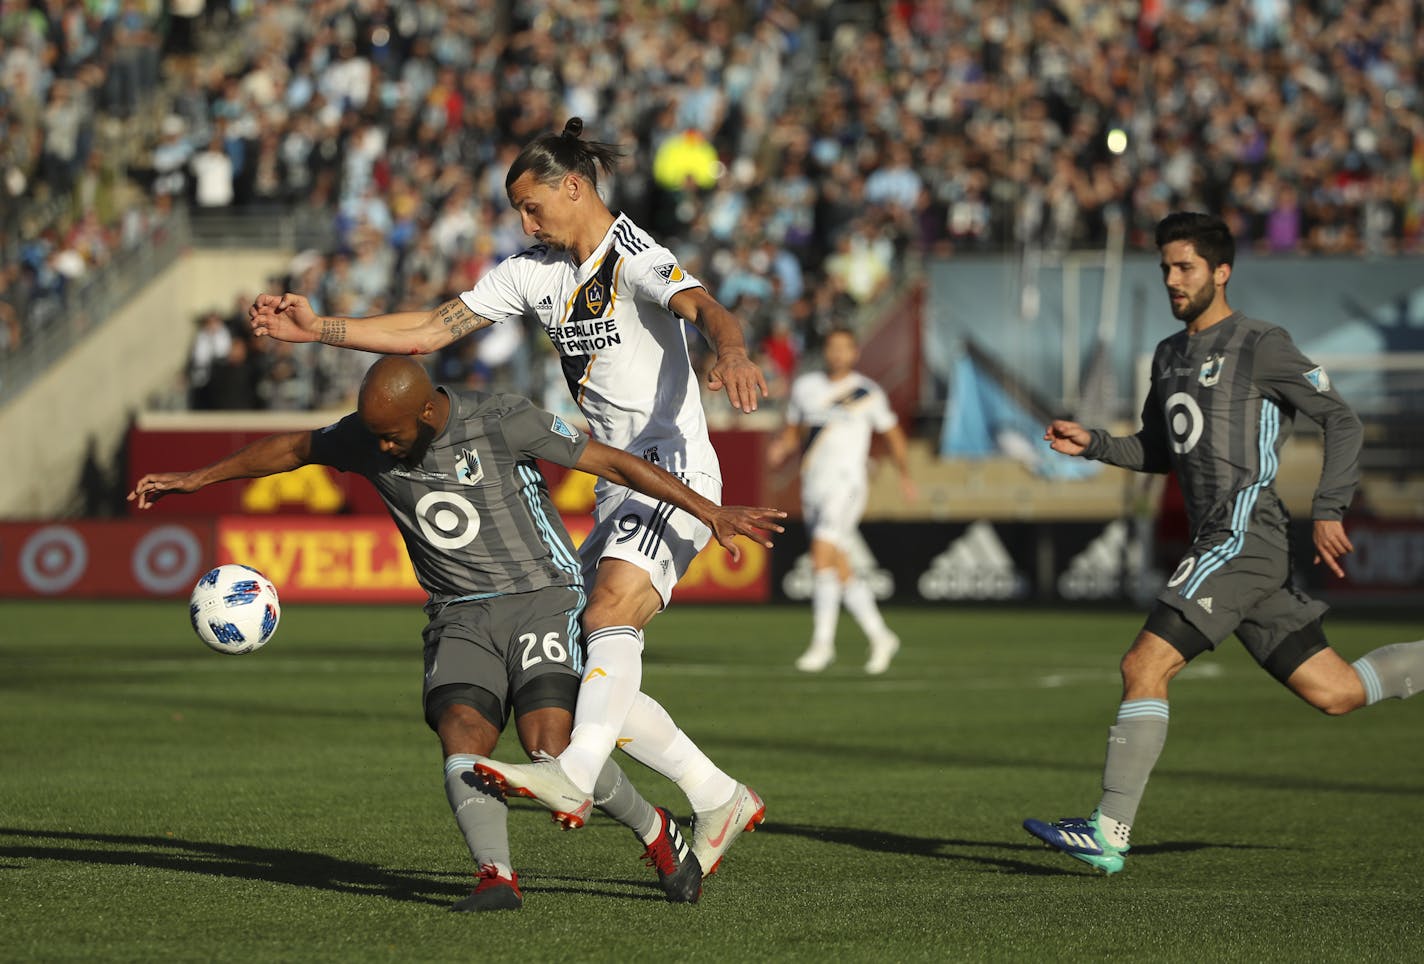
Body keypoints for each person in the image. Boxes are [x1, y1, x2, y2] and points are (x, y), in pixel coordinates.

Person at [250, 118, 771, 877]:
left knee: (607, 615)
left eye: (534, 207)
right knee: (595, 657)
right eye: (519, 213)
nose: (526, 224)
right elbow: (433, 329)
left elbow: (704, 305)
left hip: (673, 466)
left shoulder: (632, 255)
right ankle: (716, 794)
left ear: (575, 186)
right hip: (617, 483)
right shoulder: (534, 271)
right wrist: (320, 329)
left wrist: (730, 348)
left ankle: (575, 773)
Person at [128, 357, 784, 909]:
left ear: (425, 414)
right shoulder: (366, 433)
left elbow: (612, 464)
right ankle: (495, 875)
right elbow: (295, 448)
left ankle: (657, 831)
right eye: (373, 437)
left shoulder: (501, 418)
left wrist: (709, 510)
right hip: (457, 609)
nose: (378, 449)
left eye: (390, 437)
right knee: (463, 731)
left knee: (549, 743)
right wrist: (195, 478)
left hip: (541, 596)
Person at [1023, 212, 1424, 875]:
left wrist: (1329, 508)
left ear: (1221, 271)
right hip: (1234, 545)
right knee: (1340, 692)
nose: (1172, 280)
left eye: (1184, 268)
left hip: (1243, 532)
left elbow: (1341, 419)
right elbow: (1160, 449)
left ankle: (1108, 831)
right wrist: (1093, 442)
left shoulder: (1261, 342)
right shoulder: (1168, 354)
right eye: (1165, 269)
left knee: (1143, 665)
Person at [766, 327, 916, 674]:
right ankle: (880, 636)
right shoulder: (806, 387)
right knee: (839, 564)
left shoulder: (867, 392)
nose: (837, 354)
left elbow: (892, 434)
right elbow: (794, 429)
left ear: (854, 353)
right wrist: (782, 447)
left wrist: (905, 475)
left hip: (847, 485)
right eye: (832, 347)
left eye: (844, 348)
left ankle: (822, 644)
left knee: (821, 556)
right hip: (814, 484)